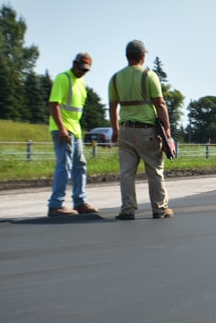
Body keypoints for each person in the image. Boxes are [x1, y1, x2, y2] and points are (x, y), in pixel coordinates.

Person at [108, 40, 173, 220]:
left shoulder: (115, 79)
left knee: (127, 173)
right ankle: (159, 208)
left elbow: (112, 107)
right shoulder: (149, 76)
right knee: (155, 170)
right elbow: (160, 104)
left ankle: (128, 209)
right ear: (143, 56)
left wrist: (115, 130)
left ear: (127, 56)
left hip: (126, 131)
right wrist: (166, 130)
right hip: (147, 132)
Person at [47, 52, 98, 217]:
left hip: (76, 130)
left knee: (80, 166)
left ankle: (80, 202)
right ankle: (56, 205)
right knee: (64, 166)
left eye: (85, 70)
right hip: (63, 129)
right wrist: (62, 128)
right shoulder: (63, 79)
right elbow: (54, 104)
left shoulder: (81, 83)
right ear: (74, 64)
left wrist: (78, 131)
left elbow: (77, 111)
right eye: (80, 68)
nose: (82, 72)